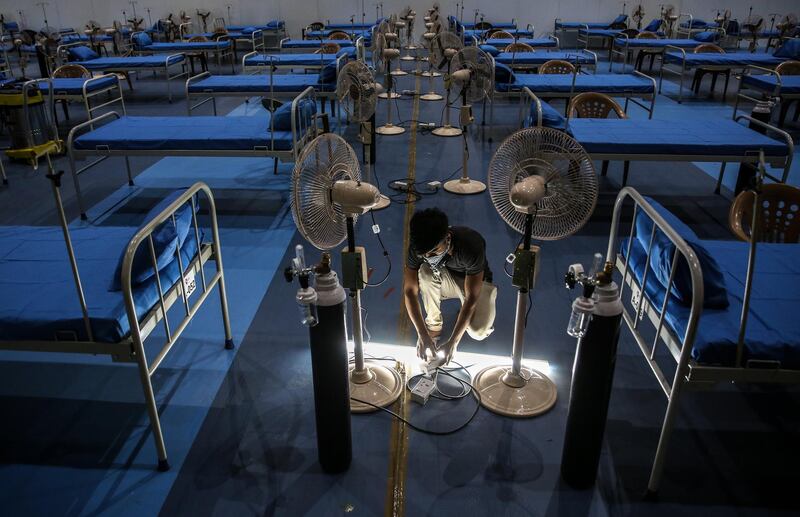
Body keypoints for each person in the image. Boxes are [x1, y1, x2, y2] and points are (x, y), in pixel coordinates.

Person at [403, 207, 497, 365]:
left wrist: (453, 342)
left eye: (433, 252)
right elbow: (410, 291)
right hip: (444, 278)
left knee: (479, 332)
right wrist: (422, 333)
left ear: (447, 238)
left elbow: (471, 298)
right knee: (425, 271)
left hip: (473, 282)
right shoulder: (417, 247)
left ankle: (488, 294)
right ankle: (434, 327)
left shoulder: (471, 244)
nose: (428, 257)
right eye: (424, 255)